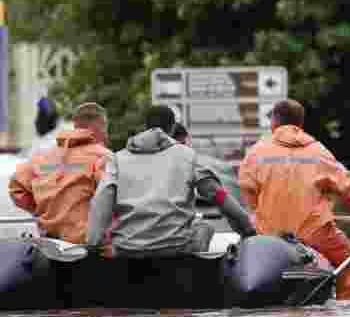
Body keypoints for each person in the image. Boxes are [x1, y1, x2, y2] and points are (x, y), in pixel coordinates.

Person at [239, 99, 350, 300]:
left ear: (274, 123)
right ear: (300, 124)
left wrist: (259, 210)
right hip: (315, 234)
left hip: (270, 236)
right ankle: (347, 306)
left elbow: (247, 188)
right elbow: (349, 186)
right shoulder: (318, 151)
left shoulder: (256, 152)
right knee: (347, 258)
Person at [86, 105, 256, 257]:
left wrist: (94, 244)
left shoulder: (118, 158)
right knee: (205, 228)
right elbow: (217, 195)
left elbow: (101, 201)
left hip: (128, 248)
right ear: (173, 127)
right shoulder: (186, 156)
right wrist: (247, 229)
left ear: (145, 127)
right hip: (176, 247)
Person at [9, 102, 112, 244]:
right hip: (86, 247)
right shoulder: (103, 157)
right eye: (106, 129)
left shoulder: (44, 157)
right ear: (100, 125)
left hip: (50, 244)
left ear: (75, 125)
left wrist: (40, 210)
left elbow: (16, 187)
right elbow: (115, 197)